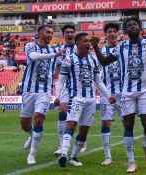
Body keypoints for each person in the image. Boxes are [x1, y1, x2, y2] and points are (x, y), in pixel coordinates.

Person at [90, 16, 146, 173]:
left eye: (135, 24)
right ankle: (131, 161)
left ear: (140, 28)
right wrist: (96, 47)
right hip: (127, 93)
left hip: (145, 92)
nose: (132, 27)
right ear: (125, 30)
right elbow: (104, 62)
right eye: (129, 25)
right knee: (128, 124)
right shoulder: (122, 46)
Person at [54, 33, 116, 168]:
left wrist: (108, 95)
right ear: (77, 43)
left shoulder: (93, 60)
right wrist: (57, 96)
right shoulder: (68, 60)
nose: (88, 43)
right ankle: (64, 154)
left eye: (89, 41)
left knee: (84, 130)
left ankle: (73, 156)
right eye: (85, 41)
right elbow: (61, 81)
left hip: (91, 99)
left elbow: (98, 81)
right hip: (76, 97)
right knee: (71, 124)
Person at [20, 25, 63, 165]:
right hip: (29, 89)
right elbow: (34, 57)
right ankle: (32, 135)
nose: (51, 35)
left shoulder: (55, 49)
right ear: (39, 33)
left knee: (38, 118)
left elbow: (59, 66)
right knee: (24, 124)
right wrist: (54, 55)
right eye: (48, 32)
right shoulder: (30, 46)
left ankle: (32, 155)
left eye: (52, 33)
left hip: (45, 91)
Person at [54, 24, 79, 156]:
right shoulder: (59, 50)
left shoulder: (79, 47)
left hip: (78, 86)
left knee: (75, 115)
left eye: (72, 32)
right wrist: (56, 83)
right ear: (63, 35)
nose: (70, 34)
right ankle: (61, 144)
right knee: (62, 113)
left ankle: (81, 142)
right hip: (64, 86)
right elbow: (57, 68)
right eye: (67, 32)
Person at [99, 23, 122, 166]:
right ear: (105, 34)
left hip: (124, 92)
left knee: (128, 122)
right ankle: (107, 155)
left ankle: (129, 151)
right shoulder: (100, 51)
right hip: (107, 92)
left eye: (115, 31)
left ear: (118, 34)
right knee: (106, 122)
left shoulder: (124, 49)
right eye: (109, 31)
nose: (112, 33)